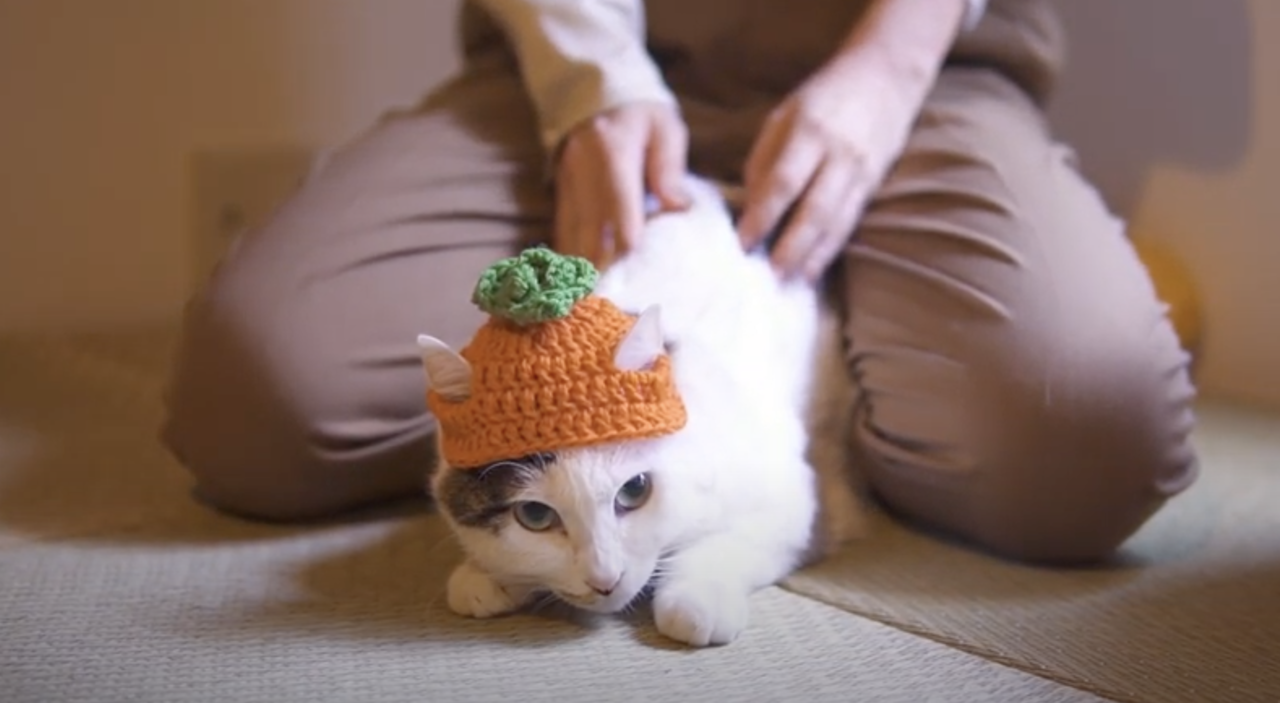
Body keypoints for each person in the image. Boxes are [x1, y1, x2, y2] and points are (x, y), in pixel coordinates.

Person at [159, 0, 1199, 564]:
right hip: (581, 61)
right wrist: (587, 85)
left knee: (1083, 445)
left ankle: (809, 356)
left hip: (906, 64)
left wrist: (885, 66)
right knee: (254, 408)